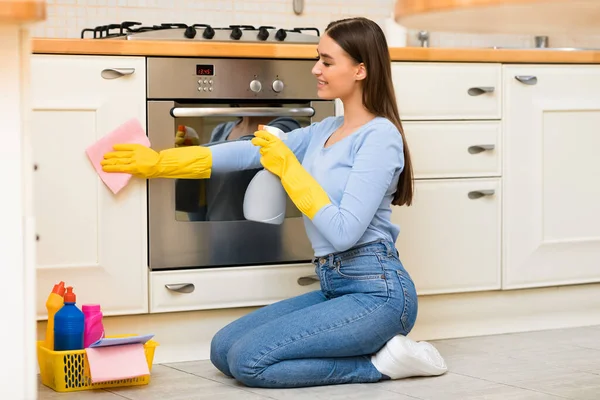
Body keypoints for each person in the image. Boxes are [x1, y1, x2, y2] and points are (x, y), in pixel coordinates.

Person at [100, 17, 448, 388]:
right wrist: (159, 162)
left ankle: (383, 365)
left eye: (327, 62)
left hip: (379, 293)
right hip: (336, 285)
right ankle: (371, 351)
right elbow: (245, 154)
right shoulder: (325, 130)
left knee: (250, 362)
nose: (316, 69)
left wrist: (289, 169)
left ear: (360, 69)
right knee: (223, 349)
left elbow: (344, 231)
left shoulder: (380, 136)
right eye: (318, 58)